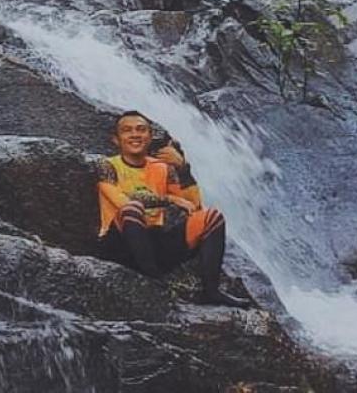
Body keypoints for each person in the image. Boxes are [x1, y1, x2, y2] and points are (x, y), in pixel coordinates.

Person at [96, 110, 251, 307]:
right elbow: (123, 201)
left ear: (150, 137)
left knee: (211, 217)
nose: (135, 134)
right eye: (127, 130)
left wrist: (183, 168)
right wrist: (169, 199)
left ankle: (211, 292)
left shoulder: (162, 168)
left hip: (153, 243)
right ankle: (154, 282)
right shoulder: (106, 166)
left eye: (141, 130)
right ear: (116, 140)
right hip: (120, 244)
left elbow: (193, 207)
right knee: (131, 209)